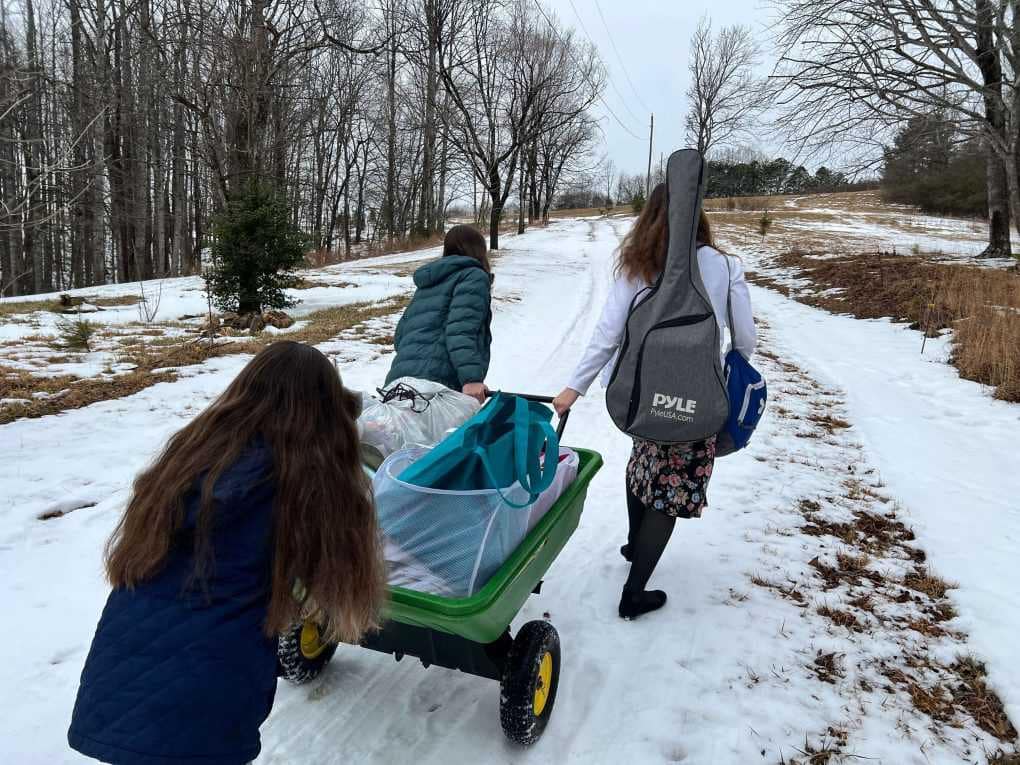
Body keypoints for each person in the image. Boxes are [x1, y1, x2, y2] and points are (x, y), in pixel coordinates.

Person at [68, 341, 386, 765]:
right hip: (207, 693)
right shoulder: (297, 481)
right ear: (321, 413)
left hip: (114, 680)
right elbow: (327, 588)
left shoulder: (193, 454)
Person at [553, 186, 756, 620]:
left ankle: (633, 541)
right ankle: (634, 593)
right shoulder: (724, 266)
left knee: (644, 461)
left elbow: (608, 335)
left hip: (642, 395)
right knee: (671, 488)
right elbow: (746, 342)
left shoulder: (638, 265)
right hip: (698, 401)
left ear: (651, 217)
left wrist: (574, 389)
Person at [386, 224, 493, 403]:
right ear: (479, 249)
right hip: (435, 386)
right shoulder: (473, 276)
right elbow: (460, 330)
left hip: (398, 383)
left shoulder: (430, 281)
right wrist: (471, 378)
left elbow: (400, 336)